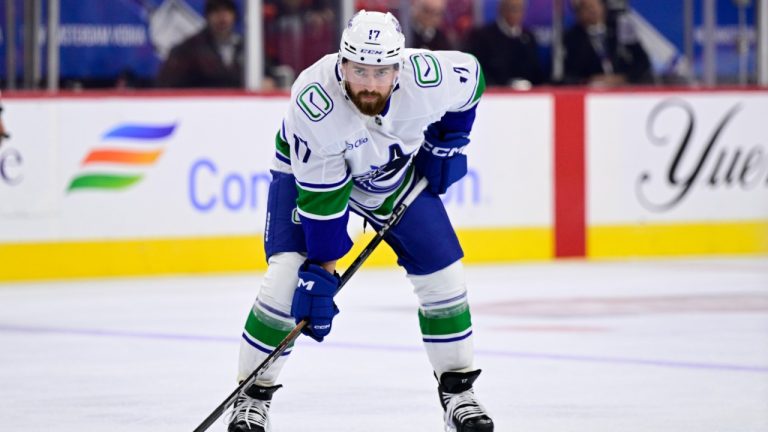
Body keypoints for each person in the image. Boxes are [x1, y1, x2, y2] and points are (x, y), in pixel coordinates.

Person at [227, 10, 494, 432]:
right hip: (310, 175)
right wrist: (322, 269)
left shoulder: (429, 78)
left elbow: (473, 77)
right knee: (288, 279)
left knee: (445, 275)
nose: (370, 83)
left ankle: (458, 394)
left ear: (398, 69)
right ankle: (251, 397)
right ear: (342, 63)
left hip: (389, 178)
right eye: (359, 71)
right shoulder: (315, 103)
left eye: (381, 72)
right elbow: (323, 198)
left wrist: (449, 143)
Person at [155, 0, 243, 88]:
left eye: (227, 11)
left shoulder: (245, 49)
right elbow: (166, 86)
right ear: (207, 16)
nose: (222, 17)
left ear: (235, 15)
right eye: (216, 11)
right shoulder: (188, 50)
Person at [563, 0, 651, 86]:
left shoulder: (620, 28)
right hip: (593, 91)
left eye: (595, 5)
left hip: (625, 87)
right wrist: (590, 81)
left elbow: (642, 62)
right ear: (578, 14)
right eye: (586, 7)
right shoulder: (572, 38)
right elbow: (569, 73)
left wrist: (623, 78)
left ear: (603, 6)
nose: (592, 10)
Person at [466, 0, 545, 87]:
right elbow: (479, 69)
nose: (516, 13)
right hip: (496, 93)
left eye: (520, 9)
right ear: (502, 9)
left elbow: (535, 70)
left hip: (527, 92)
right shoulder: (483, 36)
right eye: (513, 8)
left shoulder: (528, 37)